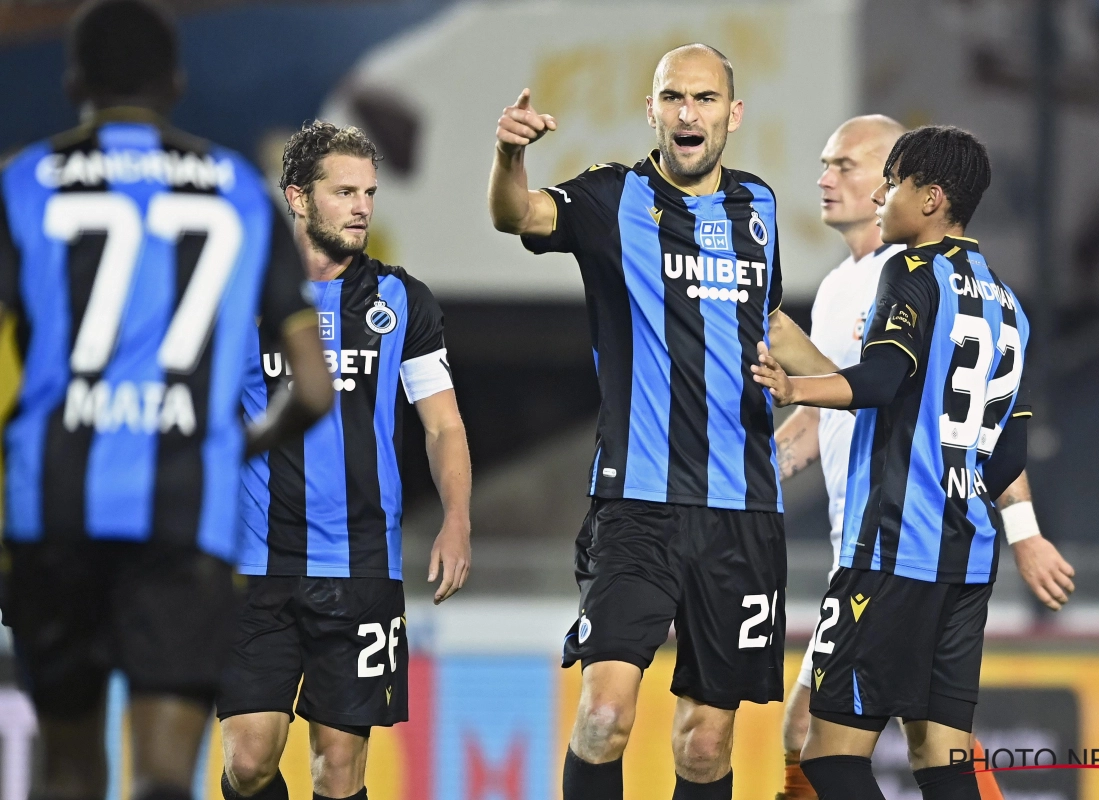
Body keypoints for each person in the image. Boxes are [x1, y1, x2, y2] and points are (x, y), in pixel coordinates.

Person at [0, 2, 334, 800]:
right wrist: (231, 443)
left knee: (70, 767)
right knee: (161, 775)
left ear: (73, 78)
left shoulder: (21, 182)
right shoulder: (242, 193)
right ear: (178, 82)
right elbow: (313, 387)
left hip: (56, 509)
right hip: (187, 510)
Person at [489, 44, 786, 800]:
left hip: (742, 512)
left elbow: (767, 321)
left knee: (706, 742)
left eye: (707, 99)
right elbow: (516, 214)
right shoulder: (607, 198)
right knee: (605, 715)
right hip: (637, 507)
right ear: (650, 111)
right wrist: (508, 156)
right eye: (674, 98)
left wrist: (836, 388)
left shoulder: (761, 211)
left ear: (733, 113)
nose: (690, 112)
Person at [772, 118, 1076, 800]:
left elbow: (880, 380)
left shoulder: (908, 271)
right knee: (941, 759)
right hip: (967, 560)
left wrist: (797, 385)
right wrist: (1019, 533)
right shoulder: (1008, 304)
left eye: (892, 183)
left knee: (826, 757)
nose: (883, 197)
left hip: (890, 551)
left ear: (931, 197)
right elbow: (1005, 453)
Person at [216, 122, 472, 800]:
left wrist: (457, 519)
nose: (362, 207)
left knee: (339, 768)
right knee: (248, 762)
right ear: (298, 198)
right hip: (251, 564)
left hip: (360, 564)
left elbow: (442, 424)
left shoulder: (401, 301)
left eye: (370, 193)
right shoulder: (238, 295)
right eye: (344, 192)